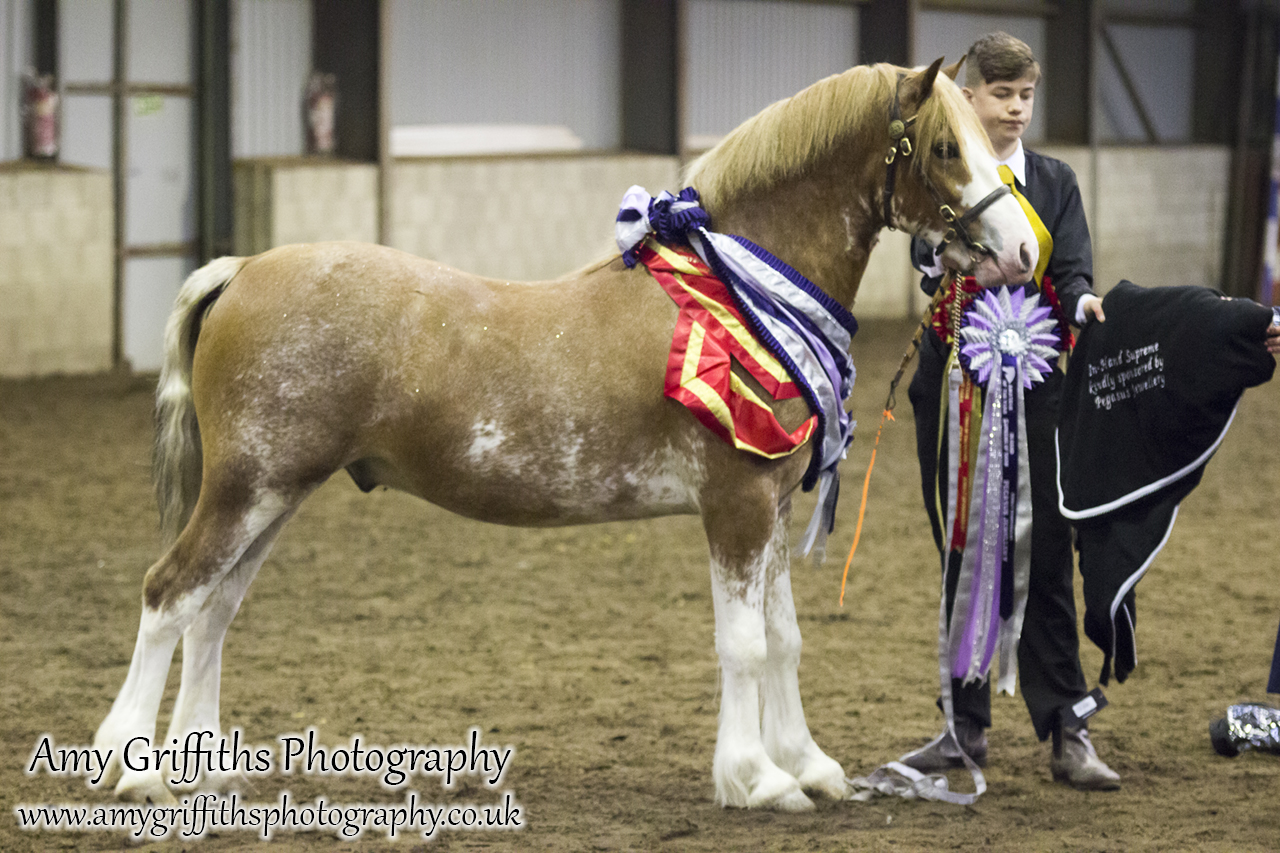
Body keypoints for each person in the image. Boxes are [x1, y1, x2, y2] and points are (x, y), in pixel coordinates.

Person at [901, 31, 1119, 790]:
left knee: (1047, 550)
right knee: (966, 550)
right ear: (968, 96)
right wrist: (955, 260)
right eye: (1002, 94)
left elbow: (1075, 264)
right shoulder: (944, 172)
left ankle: (1066, 727)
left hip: (1037, 394)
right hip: (955, 388)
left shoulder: (1055, 181)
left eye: (1026, 95)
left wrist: (1083, 295)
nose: (1018, 109)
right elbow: (923, 255)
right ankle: (963, 726)